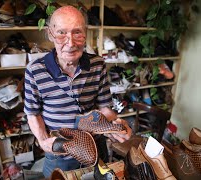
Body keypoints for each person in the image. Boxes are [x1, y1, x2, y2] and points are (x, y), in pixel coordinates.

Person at [24, 5, 132, 178]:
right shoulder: (35, 70)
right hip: (61, 154)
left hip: (96, 149)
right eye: (61, 33)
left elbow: (105, 108)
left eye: (77, 33)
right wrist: (44, 142)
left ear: (86, 34)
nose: (71, 43)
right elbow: (33, 114)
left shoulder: (97, 64)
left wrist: (113, 127)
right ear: (50, 34)